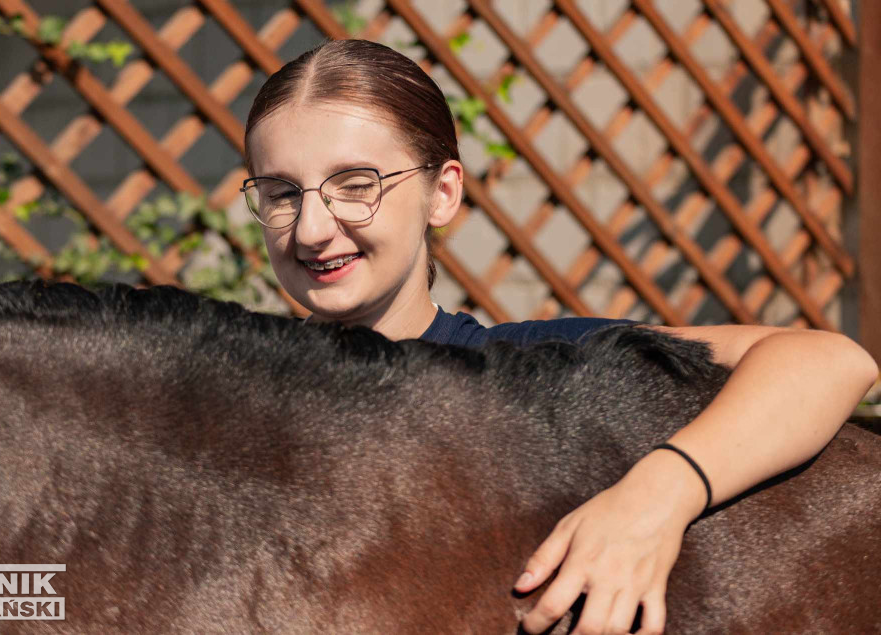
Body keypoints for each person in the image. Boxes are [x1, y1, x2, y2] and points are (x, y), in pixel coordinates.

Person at [239, 39, 878, 634]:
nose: (313, 228)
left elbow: (830, 362)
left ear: (442, 193)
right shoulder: (233, 410)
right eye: (282, 193)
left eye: (357, 186)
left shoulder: (539, 371)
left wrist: (654, 500)